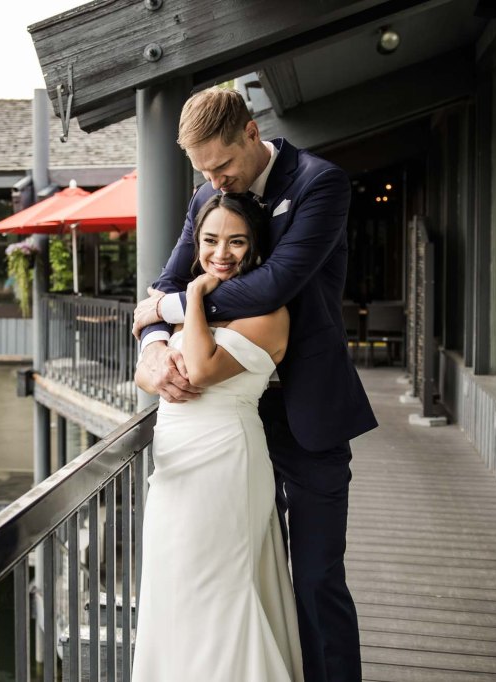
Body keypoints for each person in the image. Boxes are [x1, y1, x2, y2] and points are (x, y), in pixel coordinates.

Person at [134, 86, 378, 682]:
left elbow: (275, 285)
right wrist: (154, 347)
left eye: (221, 166)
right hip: (225, 426)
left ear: (250, 132)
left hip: (309, 409)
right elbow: (164, 283)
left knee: (316, 578)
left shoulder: (320, 183)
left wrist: (169, 307)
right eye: (203, 172)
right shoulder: (208, 196)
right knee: (239, 575)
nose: (214, 181)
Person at [132, 192, 302, 682]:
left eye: (236, 241)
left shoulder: (270, 313)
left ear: (255, 245)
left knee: (219, 585)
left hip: (227, 458)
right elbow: (144, 371)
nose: (220, 253)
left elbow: (203, 369)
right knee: (174, 582)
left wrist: (193, 296)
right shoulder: (187, 307)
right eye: (209, 240)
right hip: (174, 462)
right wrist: (158, 371)